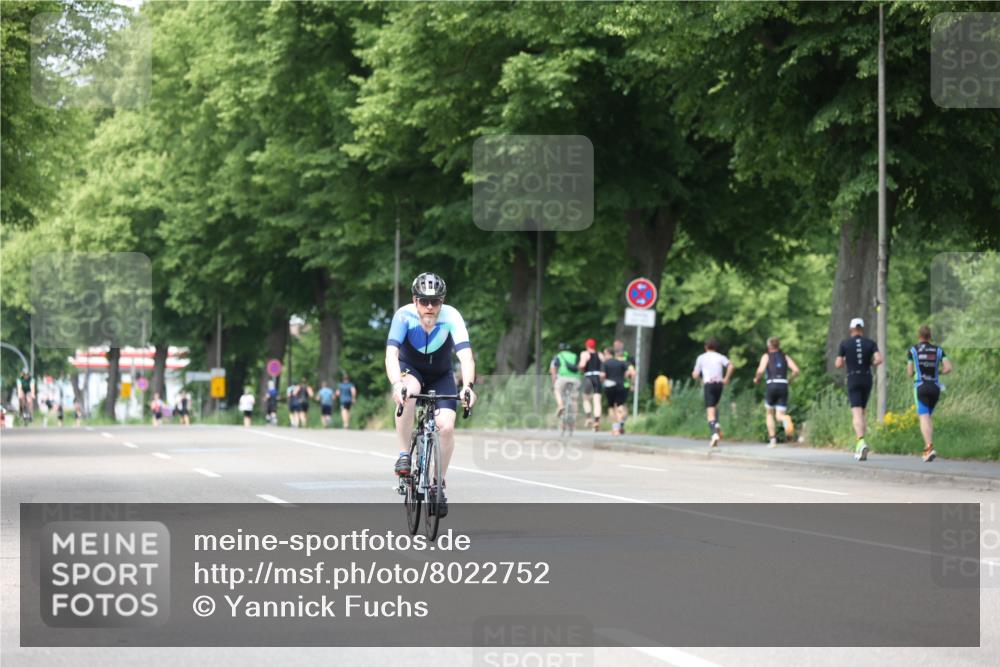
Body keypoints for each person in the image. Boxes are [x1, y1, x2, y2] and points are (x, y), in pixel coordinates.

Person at [388, 272, 476, 518]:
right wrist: (397, 383)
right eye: (424, 301)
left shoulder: (452, 316)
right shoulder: (403, 316)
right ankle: (404, 454)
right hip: (411, 371)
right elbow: (391, 354)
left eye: (435, 301)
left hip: (441, 374)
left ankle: (438, 484)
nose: (429, 307)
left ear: (442, 301)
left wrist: (468, 386)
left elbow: (465, 356)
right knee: (408, 394)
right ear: (415, 300)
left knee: (446, 427)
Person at [834, 317, 883, 461]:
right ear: (862, 329)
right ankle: (860, 444)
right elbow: (879, 359)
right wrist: (870, 363)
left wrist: (844, 361)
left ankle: (860, 442)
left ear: (851, 329)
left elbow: (838, 363)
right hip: (866, 378)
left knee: (856, 412)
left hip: (853, 378)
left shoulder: (845, 344)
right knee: (863, 412)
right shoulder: (871, 343)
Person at [907, 325, 953, 463]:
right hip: (935, 387)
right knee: (928, 417)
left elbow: (909, 373)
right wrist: (937, 372)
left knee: (924, 417)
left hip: (920, 386)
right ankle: (928, 446)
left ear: (919, 336)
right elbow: (948, 368)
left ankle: (929, 447)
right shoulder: (939, 350)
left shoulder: (913, 350)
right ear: (930, 336)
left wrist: (916, 372)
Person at [753, 337, 801, 447]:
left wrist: (756, 379)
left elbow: (760, 370)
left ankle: (773, 440)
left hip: (771, 384)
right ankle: (785, 419)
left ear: (769, 345)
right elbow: (796, 370)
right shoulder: (785, 356)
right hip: (783, 384)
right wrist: (789, 380)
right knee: (779, 415)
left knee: (769, 413)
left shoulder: (766, 356)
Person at [692, 337, 735, 448]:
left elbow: (695, 374)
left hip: (709, 384)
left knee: (710, 412)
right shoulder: (720, 357)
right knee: (715, 407)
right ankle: (717, 424)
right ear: (716, 347)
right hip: (719, 385)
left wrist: (698, 378)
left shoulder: (701, 358)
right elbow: (731, 366)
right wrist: (726, 378)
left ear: (705, 347)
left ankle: (714, 434)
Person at [602, 345, 636, 435]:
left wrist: (602, 382)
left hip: (609, 387)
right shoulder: (623, 363)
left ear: (608, 354)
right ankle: (621, 420)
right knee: (620, 405)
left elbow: (602, 375)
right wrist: (633, 384)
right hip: (621, 386)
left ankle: (615, 429)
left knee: (612, 407)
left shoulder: (605, 363)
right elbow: (633, 372)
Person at [549, 343, 581, 421]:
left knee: (557, 390)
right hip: (575, 379)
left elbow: (553, 369)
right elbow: (580, 367)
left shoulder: (558, 356)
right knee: (574, 398)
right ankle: (575, 415)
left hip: (562, 378)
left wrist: (554, 382)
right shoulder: (574, 356)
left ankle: (560, 405)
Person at [578, 338, 603, 431]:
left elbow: (582, 365)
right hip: (597, 377)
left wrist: (580, 369)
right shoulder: (600, 355)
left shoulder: (584, 354)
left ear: (587, 345)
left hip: (588, 377)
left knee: (585, 399)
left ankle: (588, 417)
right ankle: (597, 421)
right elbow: (603, 366)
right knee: (597, 400)